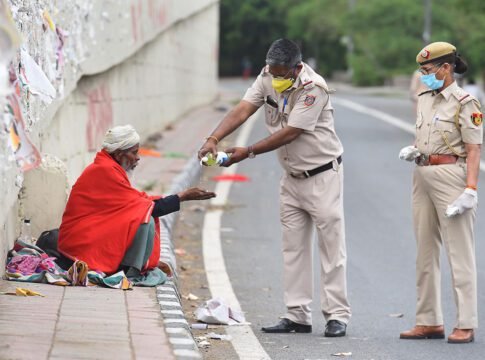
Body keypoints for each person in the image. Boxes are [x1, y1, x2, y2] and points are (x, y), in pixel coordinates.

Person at [199, 39, 351, 337]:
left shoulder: (313, 87)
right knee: (293, 248)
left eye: (282, 74)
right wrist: (213, 138)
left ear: (297, 68)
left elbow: (291, 132)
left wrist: (248, 151)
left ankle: (337, 315)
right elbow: (244, 108)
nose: (276, 78)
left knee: (331, 249)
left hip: (323, 176)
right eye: (273, 72)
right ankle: (297, 316)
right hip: (291, 178)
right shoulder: (267, 75)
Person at [399, 42, 482, 344]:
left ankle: (466, 323)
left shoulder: (465, 102)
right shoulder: (424, 97)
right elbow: (425, 132)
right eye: (421, 71)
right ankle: (428, 320)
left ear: (446, 68)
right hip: (422, 174)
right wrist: (415, 149)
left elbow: (474, 149)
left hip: (452, 176)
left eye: (428, 70)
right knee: (425, 251)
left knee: (459, 253)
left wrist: (470, 189)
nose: (423, 76)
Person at [58, 125, 215, 284]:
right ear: (120, 154)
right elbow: (146, 207)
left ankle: (131, 265)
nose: (138, 158)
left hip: (89, 233)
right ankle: (130, 269)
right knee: (144, 220)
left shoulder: (109, 166)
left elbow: (136, 201)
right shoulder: (104, 170)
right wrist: (182, 196)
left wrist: (179, 197)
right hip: (79, 242)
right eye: (134, 153)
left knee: (142, 212)